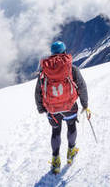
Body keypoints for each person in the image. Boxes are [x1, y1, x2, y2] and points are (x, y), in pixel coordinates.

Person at [35, 41, 91, 174]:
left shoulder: (44, 71)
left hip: (52, 109)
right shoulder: (72, 69)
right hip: (69, 106)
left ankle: (55, 161)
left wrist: (41, 108)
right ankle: (71, 153)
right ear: (64, 52)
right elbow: (82, 87)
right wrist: (85, 104)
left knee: (55, 131)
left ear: (52, 53)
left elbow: (38, 91)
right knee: (71, 127)